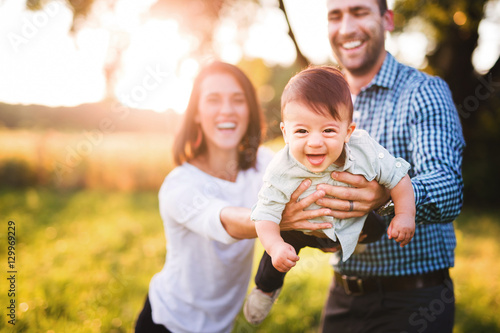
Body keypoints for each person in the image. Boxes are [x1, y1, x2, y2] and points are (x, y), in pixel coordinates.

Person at [134, 61, 333, 333]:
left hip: (222, 326)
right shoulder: (180, 184)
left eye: (238, 100)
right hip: (168, 323)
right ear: (196, 113)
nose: (227, 110)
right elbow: (226, 221)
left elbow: (309, 186)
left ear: (249, 110)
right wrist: (276, 218)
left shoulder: (266, 165)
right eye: (214, 100)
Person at [314, 1, 465, 332]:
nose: (346, 28)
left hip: (414, 302)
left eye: (359, 12)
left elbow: (448, 187)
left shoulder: (423, 91)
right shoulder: (325, 103)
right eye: (335, 16)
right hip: (341, 296)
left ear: (387, 19)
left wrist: (387, 197)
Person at [243, 65, 416, 325]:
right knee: (274, 257)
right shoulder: (281, 168)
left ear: (348, 131)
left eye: (328, 130)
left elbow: (398, 178)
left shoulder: (364, 149)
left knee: (379, 227)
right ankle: (265, 289)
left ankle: (348, 240)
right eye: (301, 131)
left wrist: (404, 215)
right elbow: (264, 215)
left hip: (351, 219)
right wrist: (276, 245)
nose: (315, 142)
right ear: (285, 132)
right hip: (302, 229)